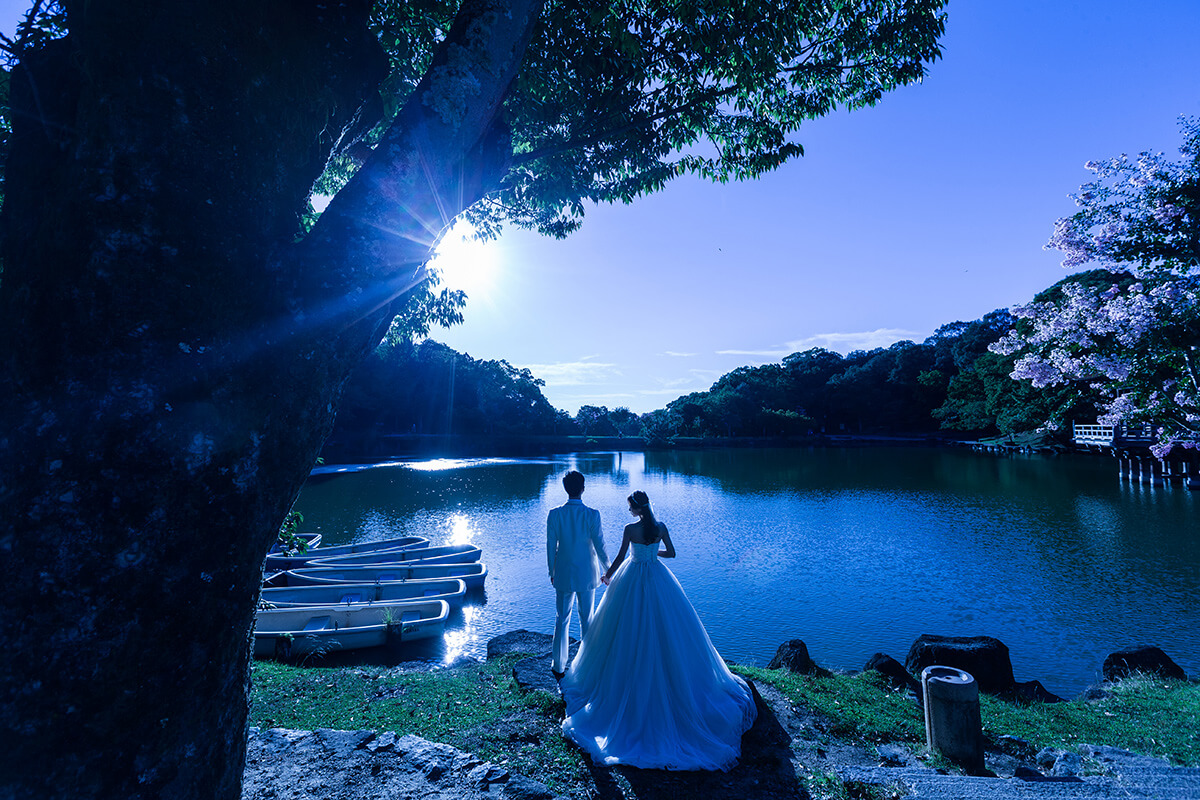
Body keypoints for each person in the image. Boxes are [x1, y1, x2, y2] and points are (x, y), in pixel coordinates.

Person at [559, 490, 757, 771]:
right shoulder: (660, 527)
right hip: (657, 575)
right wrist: (654, 552)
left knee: (625, 630)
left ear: (636, 509)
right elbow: (672, 553)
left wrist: (607, 575)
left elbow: (618, 558)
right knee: (670, 630)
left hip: (632, 576)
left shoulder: (630, 529)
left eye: (630, 507)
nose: (628, 511)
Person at [546, 470, 609, 679]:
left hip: (563, 572)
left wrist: (551, 570)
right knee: (587, 619)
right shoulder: (592, 514)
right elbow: (600, 545)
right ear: (583, 488)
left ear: (566, 489)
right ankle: (587, 664)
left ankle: (558, 665)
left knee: (561, 618)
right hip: (587, 574)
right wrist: (608, 569)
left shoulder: (555, 514)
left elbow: (550, 546)